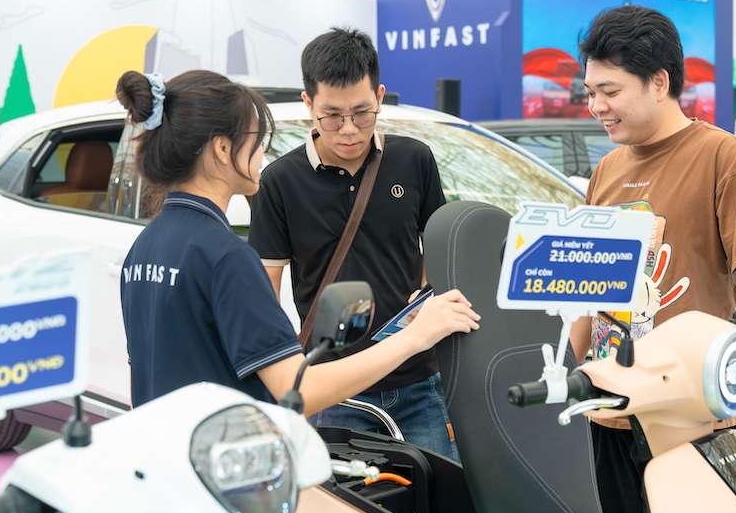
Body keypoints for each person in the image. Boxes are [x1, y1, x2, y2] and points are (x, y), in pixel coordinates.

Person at [118, 69, 480, 415]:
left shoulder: (143, 248)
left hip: (169, 449)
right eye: (257, 139)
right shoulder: (226, 256)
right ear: (223, 149)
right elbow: (298, 391)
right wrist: (416, 335)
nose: (262, 153)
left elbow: (141, 382)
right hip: (226, 450)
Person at [567, 5, 736, 513]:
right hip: (612, 406)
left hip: (691, 411)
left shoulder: (722, 156)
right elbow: (590, 287)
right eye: (590, 92)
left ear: (660, 82)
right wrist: (569, 366)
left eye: (610, 91)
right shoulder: (607, 169)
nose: (597, 106)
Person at [248, 29, 460, 459]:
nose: (348, 130)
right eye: (332, 116)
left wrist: (419, 298)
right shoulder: (280, 182)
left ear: (379, 97)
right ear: (309, 104)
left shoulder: (413, 159)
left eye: (362, 113)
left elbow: (435, 247)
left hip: (418, 378)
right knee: (345, 500)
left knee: (438, 492)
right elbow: (265, 287)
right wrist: (285, 375)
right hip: (334, 388)